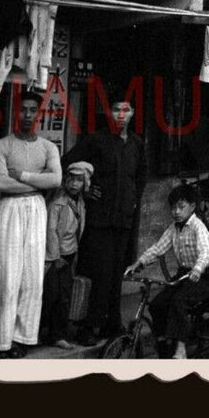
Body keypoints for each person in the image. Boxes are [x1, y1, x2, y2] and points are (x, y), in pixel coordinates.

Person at [63, 97, 147, 345]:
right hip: (99, 220)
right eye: (115, 109)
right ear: (108, 113)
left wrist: (132, 202)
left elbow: (140, 178)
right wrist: (85, 189)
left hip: (123, 220)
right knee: (95, 272)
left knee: (115, 274)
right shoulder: (95, 140)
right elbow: (68, 163)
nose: (121, 114)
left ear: (132, 114)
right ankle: (88, 326)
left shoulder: (136, 144)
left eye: (126, 109)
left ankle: (112, 323)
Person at [0, 88, 62, 358]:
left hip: (37, 211)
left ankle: (22, 338)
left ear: (40, 115)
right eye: (23, 110)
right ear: (14, 112)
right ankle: (1, 340)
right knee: (6, 276)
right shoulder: (1, 146)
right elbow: (0, 182)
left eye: (34, 110)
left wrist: (25, 175)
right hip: (10, 211)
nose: (28, 115)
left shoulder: (48, 147)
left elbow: (55, 180)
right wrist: (35, 180)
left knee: (32, 277)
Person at [125, 183, 209, 360]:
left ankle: (181, 349)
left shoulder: (199, 227)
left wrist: (198, 269)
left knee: (179, 301)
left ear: (192, 207)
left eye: (181, 207)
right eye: (173, 207)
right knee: (157, 304)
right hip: (185, 274)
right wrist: (138, 263)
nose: (176, 211)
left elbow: (206, 251)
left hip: (205, 275)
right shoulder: (173, 227)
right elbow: (158, 248)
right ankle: (163, 342)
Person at [40, 162, 89, 349]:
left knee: (64, 296)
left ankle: (57, 335)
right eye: (71, 180)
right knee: (50, 294)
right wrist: (55, 256)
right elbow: (50, 231)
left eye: (79, 181)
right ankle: (39, 332)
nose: (74, 184)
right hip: (55, 257)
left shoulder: (80, 202)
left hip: (69, 255)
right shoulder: (57, 203)